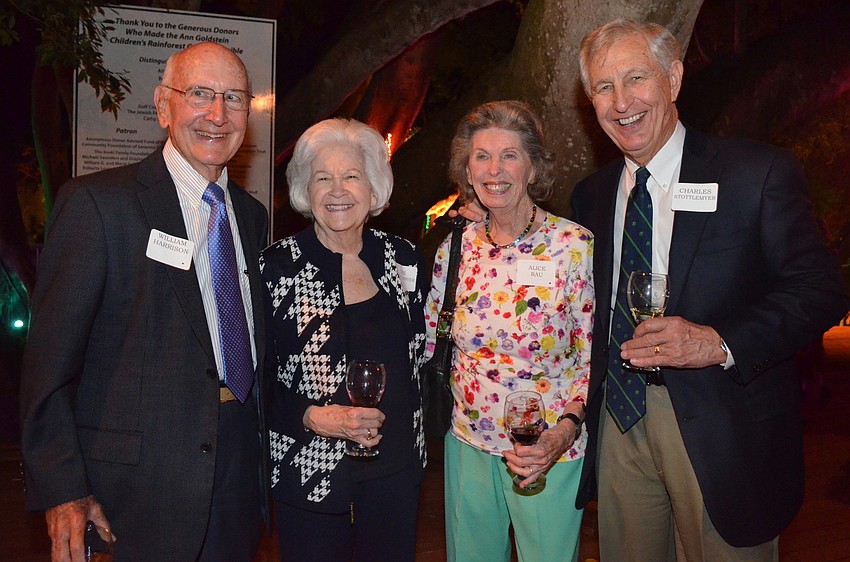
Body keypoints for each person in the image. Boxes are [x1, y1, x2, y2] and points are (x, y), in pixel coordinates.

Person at [569, 19, 850, 561]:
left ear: (673, 78)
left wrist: (719, 342)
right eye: (604, 87)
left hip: (724, 426)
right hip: (619, 422)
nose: (621, 101)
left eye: (636, 78)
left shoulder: (754, 173)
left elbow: (821, 289)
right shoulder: (591, 196)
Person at [19, 42, 270, 561]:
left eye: (234, 98)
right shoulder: (97, 205)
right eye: (199, 94)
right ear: (162, 106)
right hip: (134, 491)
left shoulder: (251, 215)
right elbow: (47, 365)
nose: (217, 114)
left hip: (239, 472)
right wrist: (63, 487)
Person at [426, 100, 594, 562]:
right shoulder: (455, 248)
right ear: (467, 169)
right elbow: (427, 336)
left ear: (533, 167)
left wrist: (563, 432)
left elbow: (591, 356)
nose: (494, 169)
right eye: (481, 156)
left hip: (545, 450)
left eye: (510, 155)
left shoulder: (572, 246)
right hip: (468, 443)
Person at [260, 118, 427, 561]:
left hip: (395, 471)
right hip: (309, 470)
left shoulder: (402, 258)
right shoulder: (275, 269)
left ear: (373, 189)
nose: (338, 191)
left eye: (351, 176)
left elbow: (425, 359)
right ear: (304, 191)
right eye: (322, 178)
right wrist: (313, 416)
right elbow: (252, 382)